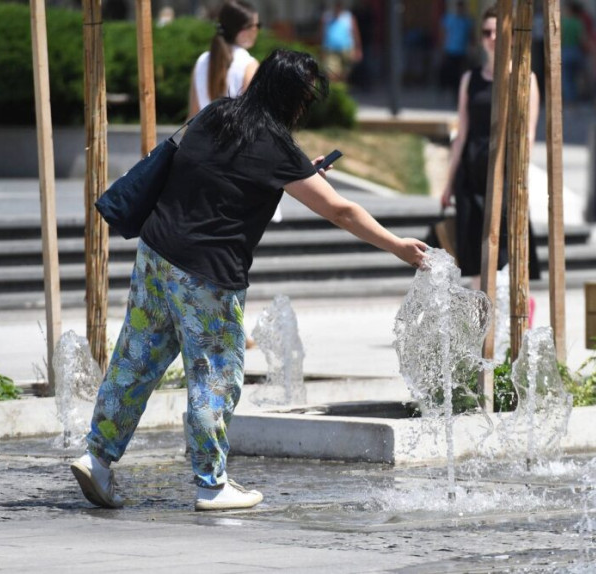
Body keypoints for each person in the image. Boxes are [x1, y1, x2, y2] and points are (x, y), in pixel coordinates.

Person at [69, 50, 428, 511]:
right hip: (207, 275)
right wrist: (397, 245)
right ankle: (211, 484)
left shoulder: (216, 113)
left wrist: (303, 172)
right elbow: (341, 210)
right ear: (292, 99)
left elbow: (227, 169)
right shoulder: (277, 148)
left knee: (134, 359)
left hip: (156, 254)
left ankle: (97, 458)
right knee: (214, 375)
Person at [440, 5, 540, 291]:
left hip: (507, 171)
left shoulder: (525, 79)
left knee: (509, 245)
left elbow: (529, 135)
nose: (493, 37)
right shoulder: (469, 79)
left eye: (499, 31)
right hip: (472, 173)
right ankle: (481, 313)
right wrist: (448, 184)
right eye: (487, 32)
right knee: (473, 249)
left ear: (511, 35)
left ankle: (512, 309)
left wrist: (521, 180)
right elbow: (461, 134)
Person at [188, 0, 260, 119]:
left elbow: (193, 116)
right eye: (257, 25)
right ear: (244, 31)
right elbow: (253, 117)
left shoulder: (202, 61)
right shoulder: (249, 65)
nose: (257, 30)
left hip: (205, 131)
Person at [439, 1, 474, 102]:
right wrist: (442, 48)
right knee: (450, 73)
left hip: (462, 52)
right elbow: (444, 33)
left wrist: (472, 48)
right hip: (450, 51)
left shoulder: (467, 21)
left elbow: (471, 36)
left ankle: (457, 94)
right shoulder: (450, 19)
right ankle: (449, 91)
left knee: (460, 75)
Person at [321, 1, 363, 82]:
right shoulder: (327, 17)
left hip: (346, 49)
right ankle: (335, 88)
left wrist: (358, 49)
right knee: (332, 73)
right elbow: (322, 34)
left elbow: (355, 33)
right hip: (331, 50)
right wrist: (321, 48)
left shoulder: (348, 17)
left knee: (345, 74)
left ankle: (341, 88)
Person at [560, 1, 586, 106]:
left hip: (565, 50)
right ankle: (577, 99)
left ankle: (570, 101)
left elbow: (559, 39)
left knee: (567, 78)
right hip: (576, 50)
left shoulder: (562, 23)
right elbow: (582, 38)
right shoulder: (578, 22)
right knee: (576, 77)